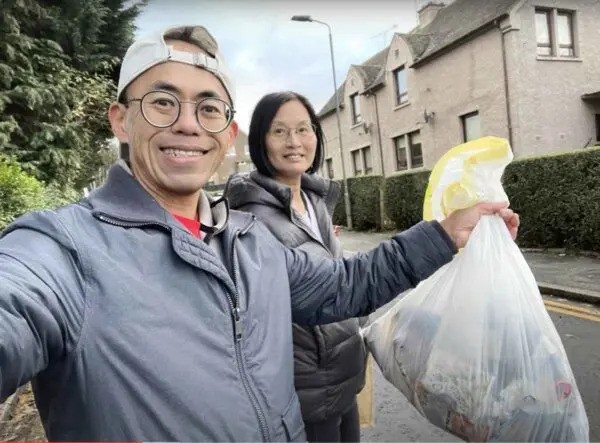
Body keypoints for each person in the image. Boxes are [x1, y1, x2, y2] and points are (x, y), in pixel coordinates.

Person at [0, 25, 519, 442]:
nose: (188, 124)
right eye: (162, 101)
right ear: (120, 120)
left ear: (227, 134)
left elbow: (346, 285)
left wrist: (445, 233)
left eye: (208, 108)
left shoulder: (249, 241)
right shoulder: (64, 249)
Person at [226, 91, 366, 442]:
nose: (294, 142)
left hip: (341, 375)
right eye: (279, 131)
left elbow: (337, 274)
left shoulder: (314, 199)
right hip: (305, 389)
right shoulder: (250, 218)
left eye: (304, 129)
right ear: (260, 142)